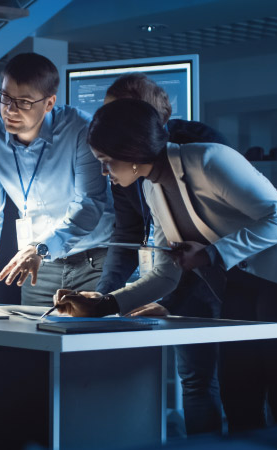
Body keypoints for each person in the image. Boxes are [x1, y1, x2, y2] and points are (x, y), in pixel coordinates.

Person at [56, 98, 277, 433]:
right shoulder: (151, 188)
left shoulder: (209, 160)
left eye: (106, 161)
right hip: (244, 281)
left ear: (131, 153)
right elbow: (165, 272)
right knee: (239, 396)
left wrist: (210, 255)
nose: (104, 172)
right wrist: (106, 304)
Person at [95, 73, 228, 436]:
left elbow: (214, 236)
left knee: (217, 382)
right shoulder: (119, 159)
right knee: (195, 381)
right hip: (167, 273)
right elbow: (128, 232)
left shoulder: (200, 146)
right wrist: (104, 297)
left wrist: (171, 300)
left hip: (216, 275)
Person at [0, 53, 114, 310]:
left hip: (94, 261)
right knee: (37, 343)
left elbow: (89, 203)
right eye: (5, 97)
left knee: (95, 345)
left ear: (49, 103)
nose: (10, 110)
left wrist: (41, 248)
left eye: (24, 102)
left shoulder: (81, 129)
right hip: (38, 265)